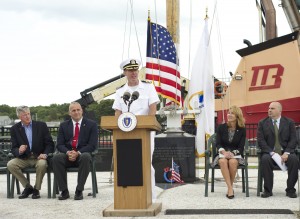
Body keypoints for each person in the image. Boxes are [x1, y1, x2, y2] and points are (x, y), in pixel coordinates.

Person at [112, 58, 160, 201]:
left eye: (135, 70)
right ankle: (128, 198)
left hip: (145, 132)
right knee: (127, 164)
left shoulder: (148, 87)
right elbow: (117, 112)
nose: (133, 73)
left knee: (146, 163)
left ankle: (151, 196)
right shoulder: (120, 91)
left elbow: (153, 108)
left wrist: (148, 123)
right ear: (124, 72)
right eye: (130, 70)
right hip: (125, 133)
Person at [52, 102, 98, 200]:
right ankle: (64, 191)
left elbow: (92, 145)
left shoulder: (92, 124)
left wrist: (78, 153)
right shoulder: (63, 125)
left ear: (82, 111)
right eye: (73, 110)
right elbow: (59, 144)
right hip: (68, 155)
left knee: (86, 156)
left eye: (78, 110)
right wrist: (68, 152)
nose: (76, 112)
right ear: (70, 113)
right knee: (56, 158)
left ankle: (79, 190)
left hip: (82, 155)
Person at [7, 105, 54, 199]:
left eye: (28, 114)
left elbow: (50, 144)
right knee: (10, 164)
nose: (28, 116)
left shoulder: (41, 125)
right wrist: (19, 150)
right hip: (24, 157)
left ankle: (36, 190)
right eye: (24, 115)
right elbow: (13, 148)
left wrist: (45, 154)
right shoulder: (14, 129)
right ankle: (28, 187)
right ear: (19, 117)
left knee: (42, 164)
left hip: (39, 157)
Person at [257, 101, 299, 198]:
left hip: (286, 152)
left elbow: (293, 139)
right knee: (265, 159)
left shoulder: (289, 122)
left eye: (272, 108)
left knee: (294, 160)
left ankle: (290, 190)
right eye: (269, 108)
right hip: (270, 153)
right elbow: (261, 141)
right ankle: (267, 190)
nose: (269, 110)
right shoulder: (262, 123)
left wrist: (287, 153)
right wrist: (272, 153)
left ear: (280, 110)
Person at [212, 105, 246, 199]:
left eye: (232, 113)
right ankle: (230, 188)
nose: (229, 115)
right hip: (222, 153)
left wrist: (232, 153)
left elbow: (241, 147)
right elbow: (218, 143)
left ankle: (229, 188)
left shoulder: (242, 129)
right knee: (223, 161)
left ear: (237, 116)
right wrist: (224, 152)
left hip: (236, 154)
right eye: (229, 113)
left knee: (232, 162)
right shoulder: (221, 127)